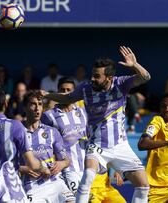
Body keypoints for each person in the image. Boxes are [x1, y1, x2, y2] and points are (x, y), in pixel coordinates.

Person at [41, 46, 151, 203]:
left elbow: (146, 77)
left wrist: (134, 65)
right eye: (92, 75)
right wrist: (48, 95)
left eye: (97, 76)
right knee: (87, 178)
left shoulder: (121, 84)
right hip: (97, 145)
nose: (92, 79)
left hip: (121, 146)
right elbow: (67, 98)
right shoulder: (85, 89)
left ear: (109, 77)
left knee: (143, 186)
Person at [19, 91, 75, 203]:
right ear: (25, 107)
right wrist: (24, 169)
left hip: (55, 183)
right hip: (32, 187)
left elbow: (66, 160)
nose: (37, 108)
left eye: (39, 104)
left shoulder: (51, 131)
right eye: (33, 104)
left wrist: (61, 164)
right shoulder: (17, 132)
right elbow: (6, 164)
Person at [41, 77, 88, 194]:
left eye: (69, 90)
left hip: (88, 168)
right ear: (57, 92)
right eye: (63, 90)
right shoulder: (49, 116)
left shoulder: (84, 112)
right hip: (68, 170)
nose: (66, 93)